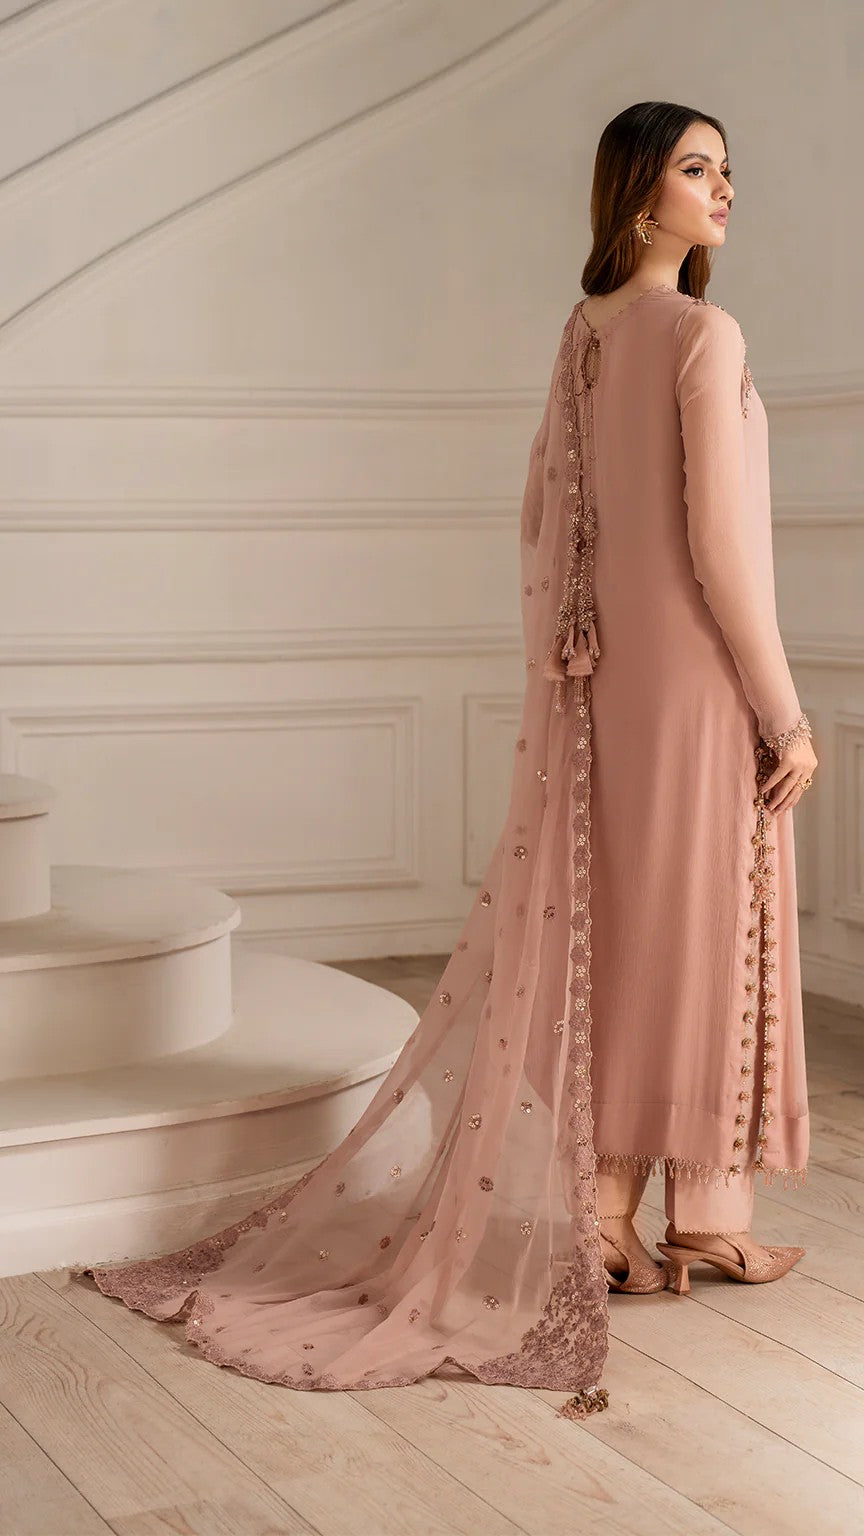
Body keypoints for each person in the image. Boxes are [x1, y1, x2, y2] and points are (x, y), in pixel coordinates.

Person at [79, 100, 816, 1422]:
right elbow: (721, 549)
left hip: (607, 688)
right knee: (705, 937)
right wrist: (784, 708)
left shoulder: (584, 338)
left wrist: (575, 660)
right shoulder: (703, 336)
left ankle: (666, 1217)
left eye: (727, 170)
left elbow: (541, 517)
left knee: (638, 938)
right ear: (641, 193)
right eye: (699, 170)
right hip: (700, 678)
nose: (726, 191)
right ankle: (630, 1212)